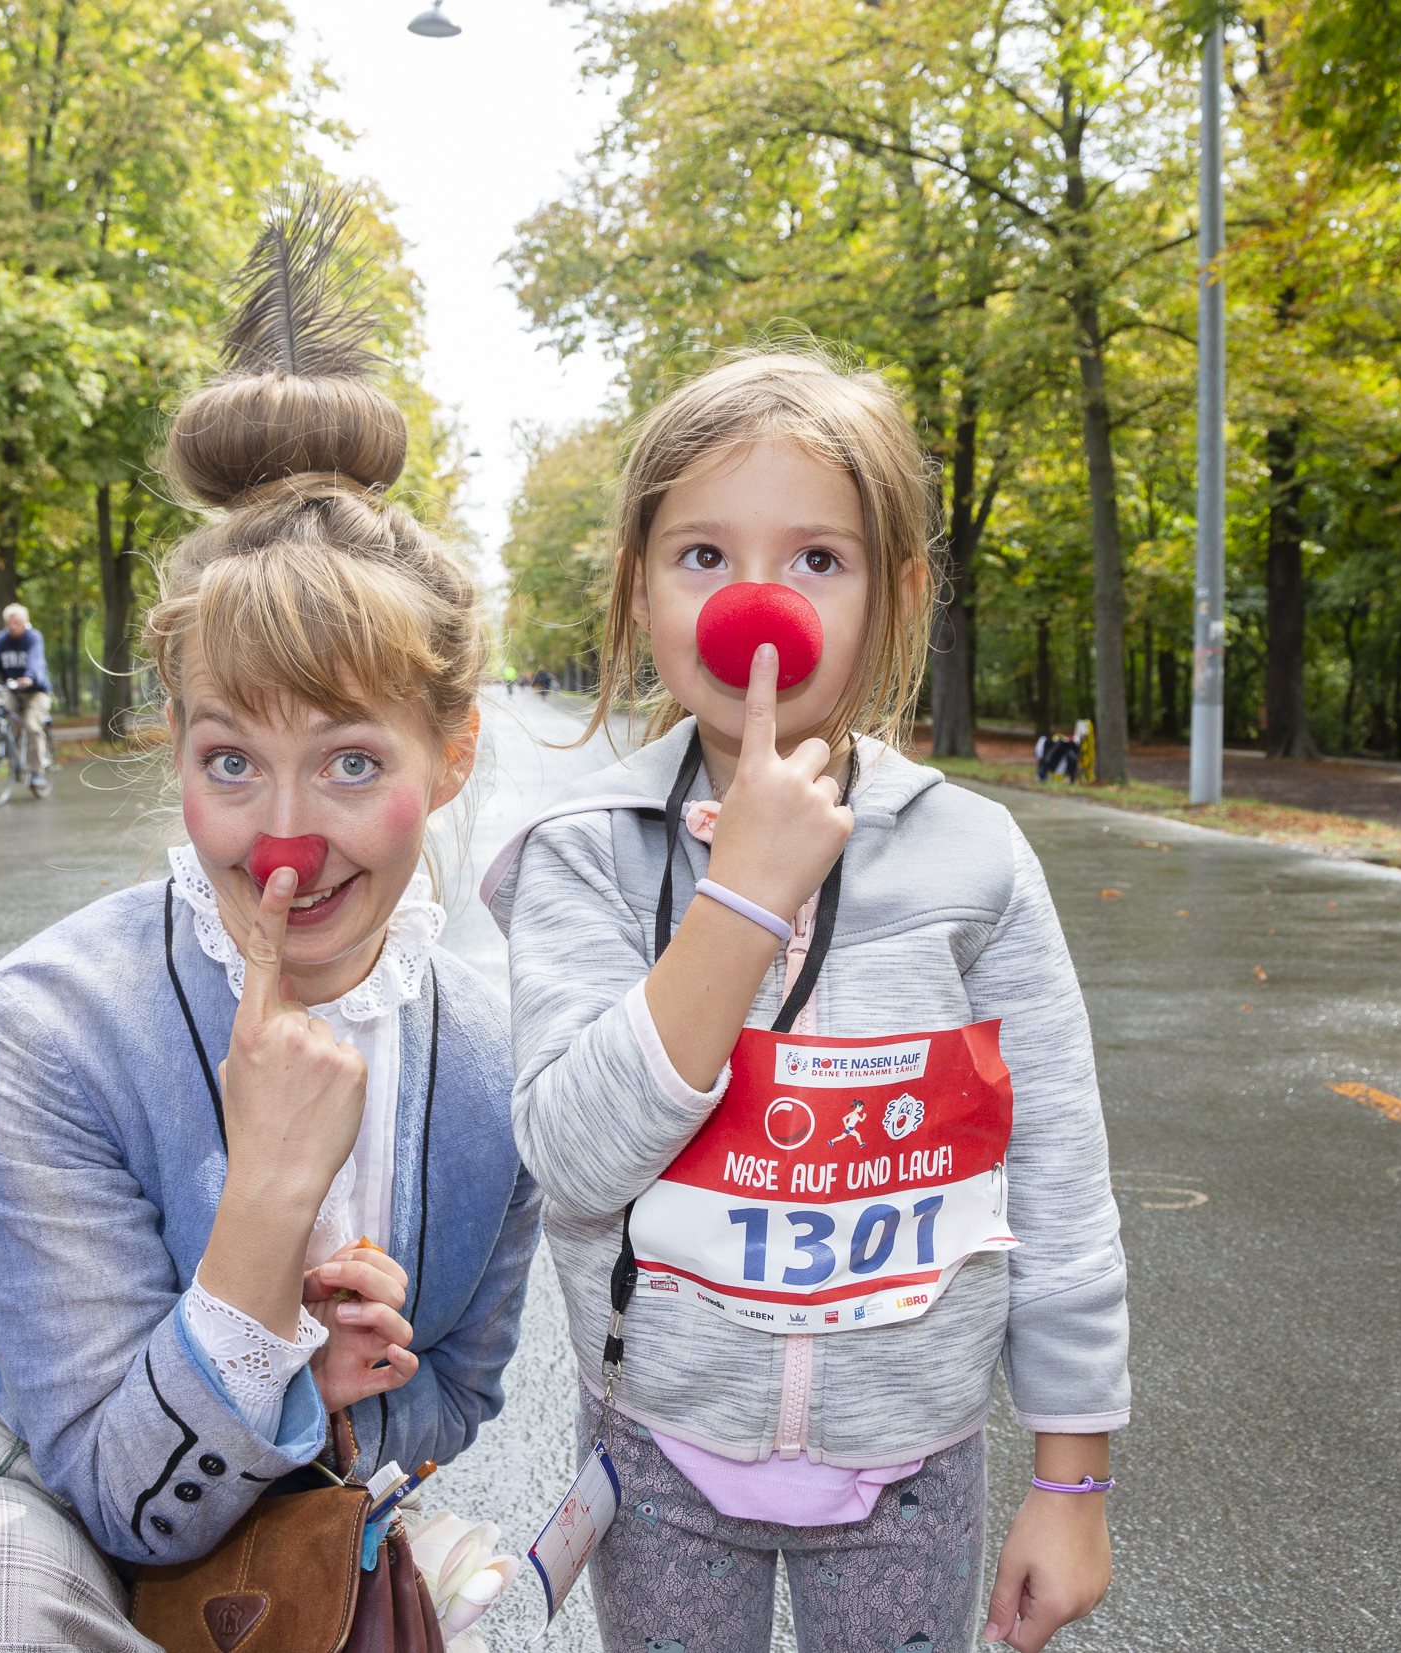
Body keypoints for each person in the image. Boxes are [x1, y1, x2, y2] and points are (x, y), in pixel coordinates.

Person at [0, 195, 541, 1653]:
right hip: (27, 1514)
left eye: (349, 760)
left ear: (450, 754)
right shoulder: (47, 1026)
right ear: (176, 746)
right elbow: (116, 1492)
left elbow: (462, 1386)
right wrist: (268, 1211)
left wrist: (359, 1386)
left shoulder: (495, 1055)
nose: (282, 838)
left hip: (320, 1522)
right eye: (231, 760)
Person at [482, 350, 1127, 1653]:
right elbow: (573, 1158)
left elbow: (1058, 1182)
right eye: (704, 555)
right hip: (659, 1452)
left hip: (913, 1466)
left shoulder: (976, 859)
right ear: (640, 589)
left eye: (816, 560)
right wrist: (742, 902)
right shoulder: (582, 853)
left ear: (897, 596)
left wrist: (1072, 1480)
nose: (756, 605)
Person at [0, 604, 55, 788]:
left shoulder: (33, 637)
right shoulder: (1, 640)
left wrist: (29, 677)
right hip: (11, 689)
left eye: (17, 622)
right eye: (9, 623)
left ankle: (36, 772)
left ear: (25, 622)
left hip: (36, 691)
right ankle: (8, 751)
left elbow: (36, 661)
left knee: (32, 725)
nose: (13, 626)